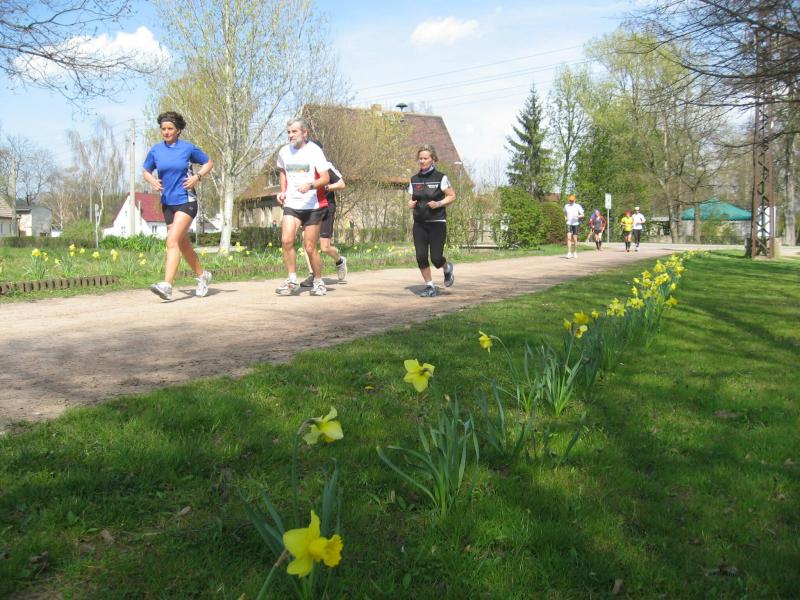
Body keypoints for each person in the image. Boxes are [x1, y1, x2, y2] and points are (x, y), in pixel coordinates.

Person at [143, 111, 214, 301]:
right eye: (163, 129)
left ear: (178, 130)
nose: (166, 132)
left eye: (170, 128)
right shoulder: (156, 150)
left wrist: (197, 177)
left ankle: (167, 285)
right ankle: (202, 275)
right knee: (182, 245)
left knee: (172, 241)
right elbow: (146, 170)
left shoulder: (187, 148)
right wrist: (153, 181)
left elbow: (208, 162)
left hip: (186, 201)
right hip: (167, 203)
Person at [274, 118, 330, 296]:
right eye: (288, 132)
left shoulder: (315, 151)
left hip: (313, 205)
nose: (291, 135)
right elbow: (282, 171)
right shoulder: (284, 152)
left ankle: (318, 282)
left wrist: (311, 185)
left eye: (294, 131)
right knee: (286, 241)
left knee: (310, 247)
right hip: (292, 203)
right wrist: (283, 191)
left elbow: (325, 178)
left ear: (304, 133)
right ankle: (292, 280)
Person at [408, 144, 456, 297]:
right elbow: (412, 199)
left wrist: (439, 203)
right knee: (421, 256)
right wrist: (410, 203)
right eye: (420, 158)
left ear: (433, 159)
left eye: (425, 158)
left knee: (436, 258)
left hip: (437, 223)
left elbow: (452, 196)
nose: (422, 161)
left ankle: (447, 268)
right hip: (419, 223)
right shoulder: (414, 179)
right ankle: (430, 286)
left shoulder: (441, 178)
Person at [299, 140, 347, 287]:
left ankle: (339, 260)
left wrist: (326, 187)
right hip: (311, 208)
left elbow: (342, 184)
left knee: (325, 247)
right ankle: (313, 274)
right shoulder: (304, 168)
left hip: (326, 207)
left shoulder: (326, 166)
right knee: (306, 240)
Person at [563, 194, 584, 258]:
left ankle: (575, 252)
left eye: (572, 200)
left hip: (575, 224)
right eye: (570, 200)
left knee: (575, 239)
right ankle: (569, 252)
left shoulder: (578, 206)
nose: (571, 201)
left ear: (575, 200)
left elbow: (583, 215)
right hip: (569, 223)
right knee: (569, 238)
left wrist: (578, 216)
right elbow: (564, 212)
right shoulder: (566, 206)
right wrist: (565, 217)